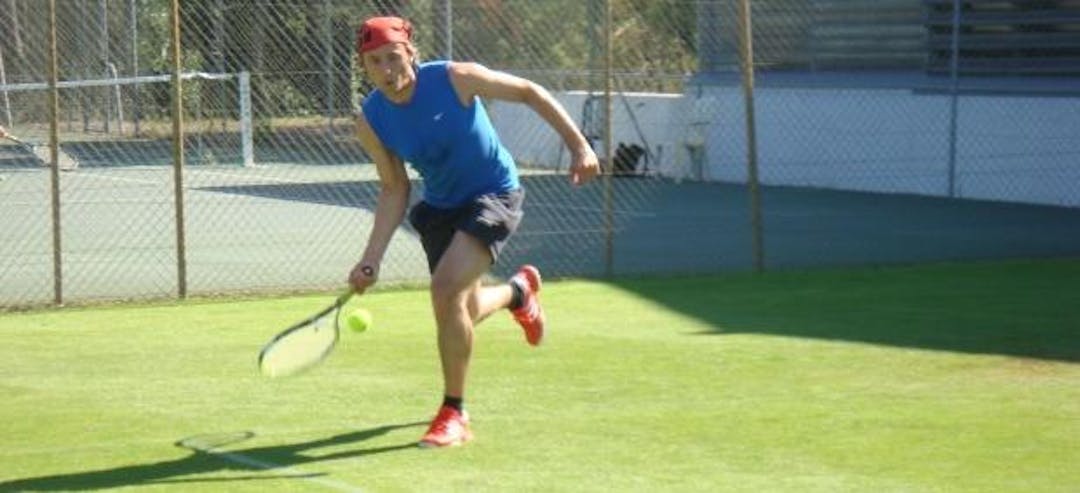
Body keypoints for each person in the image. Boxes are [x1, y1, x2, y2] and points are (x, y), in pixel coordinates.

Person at [348, 16, 599, 448]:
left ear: (411, 53)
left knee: (444, 291)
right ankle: (519, 292)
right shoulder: (371, 119)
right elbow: (394, 188)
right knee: (457, 307)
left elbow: (528, 92)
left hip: (494, 194)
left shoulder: (455, 78)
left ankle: (454, 412)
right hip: (442, 207)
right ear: (365, 69)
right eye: (375, 62)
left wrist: (579, 145)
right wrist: (370, 258)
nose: (387, 69)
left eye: (393, 57)